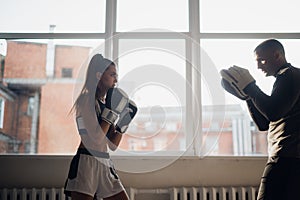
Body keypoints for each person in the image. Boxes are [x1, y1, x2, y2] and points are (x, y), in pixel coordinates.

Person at [220, 39, 300, 200]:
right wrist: (248, 97)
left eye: (261, 60)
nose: (258, 66)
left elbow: (273, 113)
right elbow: (264, 124)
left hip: (287, 161)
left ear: (277, 55)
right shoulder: (284, 79)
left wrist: (251, 87)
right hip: (287, 160)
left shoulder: (290, 76)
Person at [64, 54, 137, 200]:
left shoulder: (105, 103)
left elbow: (112, 145)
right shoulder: (86, 100)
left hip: (104, 162)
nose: (116, 80)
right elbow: (96, 138)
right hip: (87, 163)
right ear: (99, 76)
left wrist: (123, 123)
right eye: (112, 75)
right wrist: (111, 113)